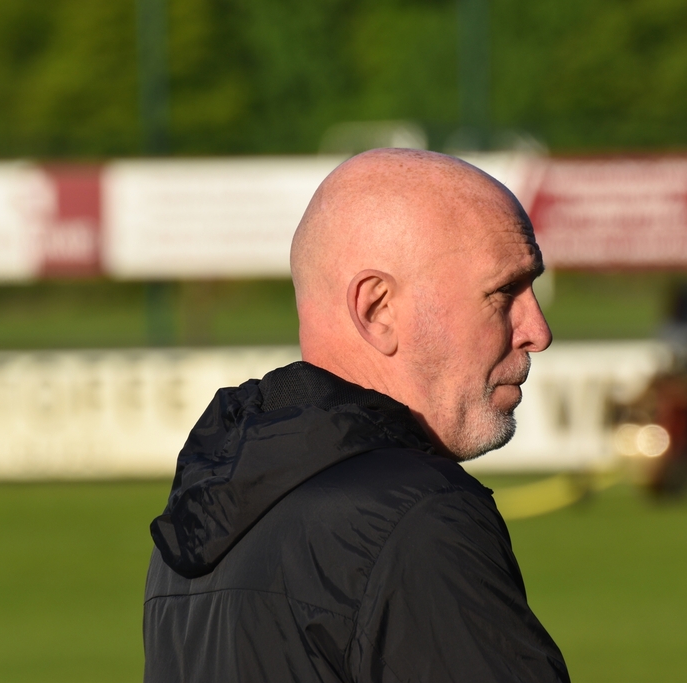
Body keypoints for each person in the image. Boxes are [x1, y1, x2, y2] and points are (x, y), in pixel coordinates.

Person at [144, 148, 569, 682]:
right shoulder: (418, 518)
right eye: (504, 292)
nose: (537, 330)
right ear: (377, 309)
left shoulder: (197, 529)